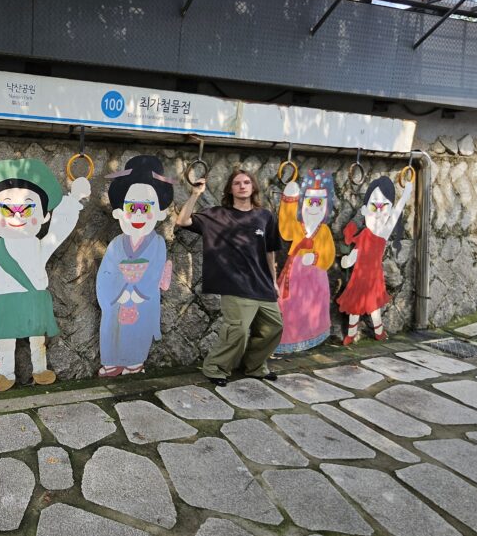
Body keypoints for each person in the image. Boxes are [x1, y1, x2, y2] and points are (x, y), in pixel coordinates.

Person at [0, 159, 91, 392]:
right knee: (5, 338)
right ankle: (6, 373)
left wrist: (74, 199)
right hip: (5, 297)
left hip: (33, 295)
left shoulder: (38, 244)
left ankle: (40, 369)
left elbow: (59, 230)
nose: (18, 216)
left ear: (45, 216)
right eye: (7, 209)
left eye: (27, 209)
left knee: (37, 336)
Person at [175, 168, 283, 386]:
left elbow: (270, 252)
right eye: (237, 183)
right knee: (238, 331)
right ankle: (215, 368)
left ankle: (254, 367)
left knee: (273, 328)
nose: (242, 186)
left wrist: (273, 280)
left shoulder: (265, 216)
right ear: (230, 189)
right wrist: (195, 194)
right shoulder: (218, 215)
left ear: (253, 187)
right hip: (234, 284)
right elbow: (183, 221)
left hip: (262, 283)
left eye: (246, 182)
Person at [96, 155, 174, 376]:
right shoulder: (116, 243)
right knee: (113, 326)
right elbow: (106, 272)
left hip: (143, 297)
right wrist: (118, 293)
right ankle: (111, 362)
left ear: (159, 212)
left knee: (139, 328)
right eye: (132, 207)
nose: (138, 213)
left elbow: (155, 270)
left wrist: (138, 292)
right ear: (120, 212)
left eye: (145, 207)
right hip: (117, 296)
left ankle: (135, 361)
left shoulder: (157, 243)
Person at [338, 175, 412, 345]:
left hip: (373, 278)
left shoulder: (383, 234)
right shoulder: (363, 234)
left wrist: (406, 193)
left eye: (383, 206)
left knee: (374, 308)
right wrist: (348, 260)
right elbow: (356, 252)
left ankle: (379, 331)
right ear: (365, 209)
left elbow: (396, 213)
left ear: (389, 209)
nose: (378, 212)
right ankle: (351, 333)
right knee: (354, 307)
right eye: (374, 206)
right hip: (358, 277)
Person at [275, 169, 335, 354]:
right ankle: (286, 342)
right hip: (295, 276)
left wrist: (316, 257)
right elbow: (285, 229)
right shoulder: (298, 226)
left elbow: (329, 255)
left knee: (312, 310)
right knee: (289, 307)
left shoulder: (324, 231)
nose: (314, 207)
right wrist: (288, 200)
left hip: (316, 280)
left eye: (320, 202)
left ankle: (312, 337)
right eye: (310, 201)